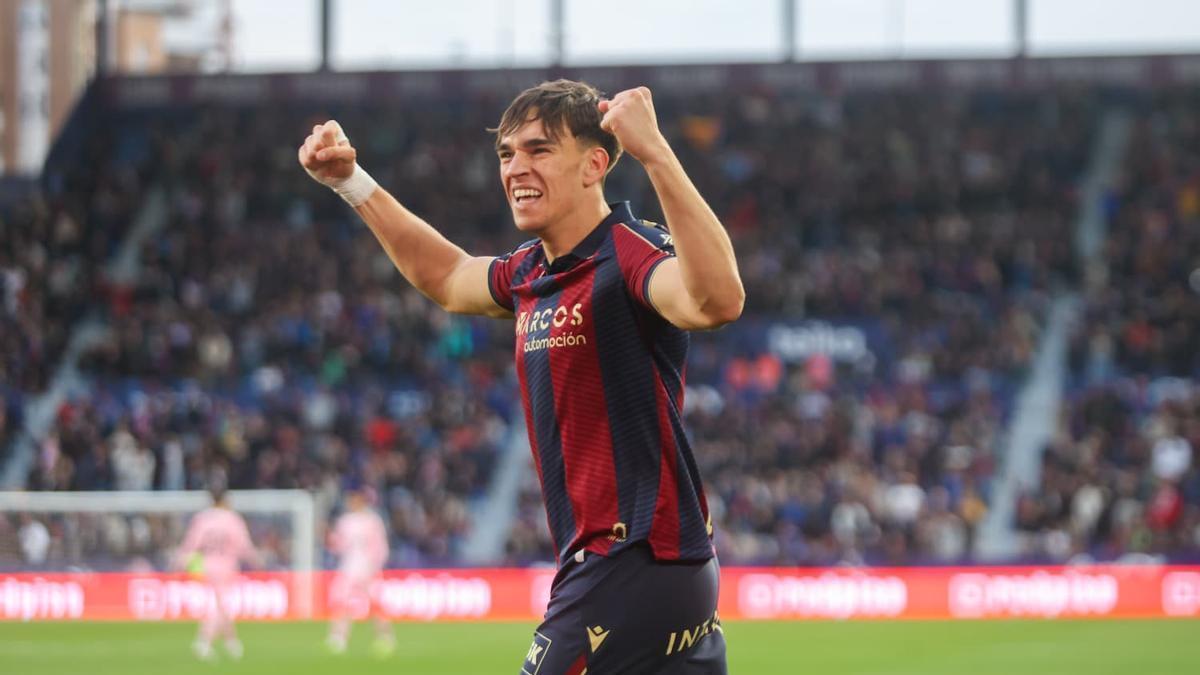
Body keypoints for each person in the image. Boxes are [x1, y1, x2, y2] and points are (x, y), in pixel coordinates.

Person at [300, 79, 743, 674]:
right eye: (507, 153)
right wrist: (352, 183)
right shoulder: (531, 273)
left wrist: (655, 152)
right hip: (659, 574)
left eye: (538, 150)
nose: (515, 167)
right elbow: (449, 275)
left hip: (634, 559)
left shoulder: (630, 251)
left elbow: (716, 301)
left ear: (594, 164)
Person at [175, 483, 261, 661]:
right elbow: (243, 544)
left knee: (222, 603)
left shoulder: (202, 518)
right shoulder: (232, 518)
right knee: (221, 605)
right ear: (225, 499)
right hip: (226, 564)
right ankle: (203, 642)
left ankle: (232, 642)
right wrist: (255, 560)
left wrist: (182, 559)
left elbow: (192, 543)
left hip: (207, 564)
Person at [325, 486, 393, 656]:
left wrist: (375, 565)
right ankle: (338, 637)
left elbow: (380, 546)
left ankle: (385, 637)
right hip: (348, 567)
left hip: (369, 568)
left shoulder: (372, 521)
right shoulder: (345, 521)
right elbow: (338, 546)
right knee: (341, 603)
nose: (352, 502)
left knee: (376, 603)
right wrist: (331, 540)